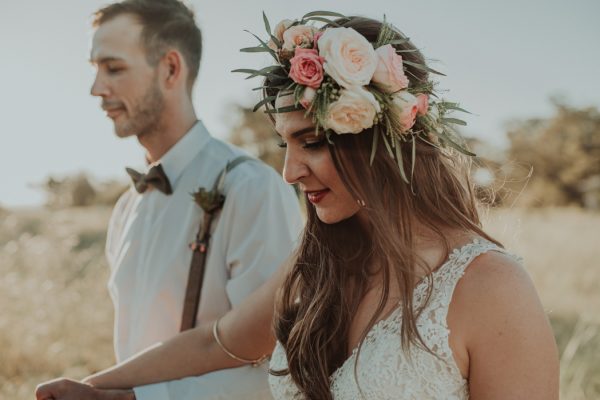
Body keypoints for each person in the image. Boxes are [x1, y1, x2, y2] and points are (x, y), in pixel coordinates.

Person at [38, 11, 560, 400]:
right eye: (284, 145)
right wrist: (94, 388)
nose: (289, 172)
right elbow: (214, 345)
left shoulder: (491, 289)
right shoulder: (316, 265)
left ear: (383, 136)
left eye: (311, 143)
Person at [35, 1, 302, 400]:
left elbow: (277, 363)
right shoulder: (126, 207)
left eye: (114, 68)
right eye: (94, 69)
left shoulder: (253, 189)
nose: (96, 89)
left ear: (171, 69)